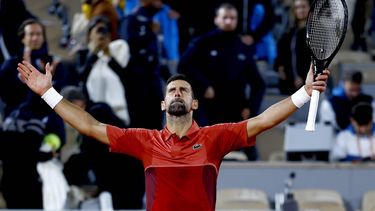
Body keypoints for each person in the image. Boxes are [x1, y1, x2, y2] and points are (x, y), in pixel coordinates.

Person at [18, 58, 329, 211]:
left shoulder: (214, 138)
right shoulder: (145, 141)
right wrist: (49, 93)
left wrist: (303, 92)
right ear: (164, 103)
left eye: (184, 89)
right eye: (172, 90)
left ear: (193, 103)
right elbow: (90, 127)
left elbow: (262, 121)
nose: (177, 92)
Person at [178, 3, 265, 160]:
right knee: (207, 156)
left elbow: (258, 84)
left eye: (232, 18)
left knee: (250, 157)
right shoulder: (203, 42)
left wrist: (251, 109)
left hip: (236, 112)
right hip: (209, 112)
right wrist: (204, 85)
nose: (228, 21)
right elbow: (184, 65)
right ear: (216, 19)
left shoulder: (243, 47)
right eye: (225, 17)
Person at [75, 15, 130, 125]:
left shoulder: (119, 47)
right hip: (92, 112)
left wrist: (107, 52)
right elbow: (81, 76)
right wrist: (93, 53)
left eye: (104, 30)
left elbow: (124, 74)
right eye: (98, 30)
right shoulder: (83, 54)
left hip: (117, 110)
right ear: (90, 34)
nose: (101, 34)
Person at [274, 0, 311, 95]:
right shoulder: (290, 31)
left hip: (308, 83)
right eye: (297, 7)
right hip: (288, 83)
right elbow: (281, 52)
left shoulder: (315, 31)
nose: (300, 10)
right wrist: (280, 67)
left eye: (303, 7)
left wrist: (302, 77)